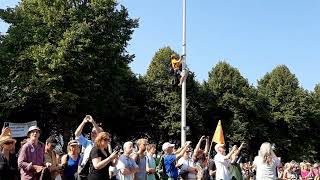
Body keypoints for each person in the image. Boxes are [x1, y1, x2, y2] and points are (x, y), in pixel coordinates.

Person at [75, 115, 103, 179]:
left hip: (95, 170)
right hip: (84, 168)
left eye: (95, 132)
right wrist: (84, 122)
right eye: (92, 132)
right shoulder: (87, 142)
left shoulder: (102, 145)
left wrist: (93, 122)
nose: (92, 133)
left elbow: (101, 134)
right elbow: (77, 134)